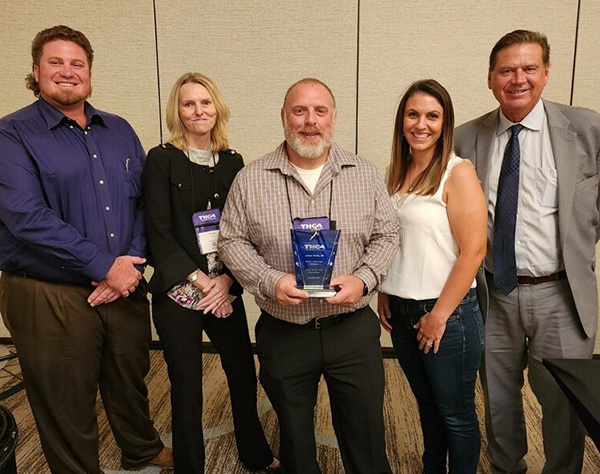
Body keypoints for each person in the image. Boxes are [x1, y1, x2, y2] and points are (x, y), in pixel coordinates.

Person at [0, 25, 172, 473]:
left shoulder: (119, 130)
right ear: (35, 72)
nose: (67, 72)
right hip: (49, 292)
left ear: (90, 73)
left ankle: (141, 449)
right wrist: (103, 266)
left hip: (125, 283)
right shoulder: (10, 135)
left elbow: (142, 204)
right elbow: (25, 217)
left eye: (77, 63)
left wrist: (128, 265)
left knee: (129, 377)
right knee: (65, 394)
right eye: (55, 62)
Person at [218, 77, 399, 474]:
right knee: (296, 443)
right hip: (285, 332)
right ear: (284, 117)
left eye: (320, 111)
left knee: (366, 436)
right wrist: (269, 280)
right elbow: (231, 242)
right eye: (299, 111)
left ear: (333, 118)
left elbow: (388, 234)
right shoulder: (251, 178)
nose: (310, 121)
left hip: (350, 330)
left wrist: (364, 279)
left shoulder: (363, 174)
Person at [455, 29, 600, 474]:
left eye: (528, 68)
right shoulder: (466, 139)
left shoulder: (587, 128)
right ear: (490, 78)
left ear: (546, 73)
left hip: (562, 294)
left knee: (563, 400)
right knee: (498, 400)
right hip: (494, 293)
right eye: (507, 70)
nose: (518, 78)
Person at [144, 72, 280, 473]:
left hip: (224, 288)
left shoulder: (233, 161)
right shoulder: (161, 159)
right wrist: (204, 283)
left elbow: (243, 229)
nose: (198, 111)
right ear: (177, 111)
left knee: (242, 375)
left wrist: (226, 281)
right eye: (188, 104)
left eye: (205, 102)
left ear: (216, 108)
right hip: (179, 292)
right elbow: (159, 234)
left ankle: (255, 455)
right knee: (187, 389)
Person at [377, 79, 487, 474]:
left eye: (432, 116)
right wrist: (385, 291)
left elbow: (474, 250)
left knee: (456, 415)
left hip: (447, 315)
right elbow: (396, 240)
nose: (421, 124)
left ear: (445, 123)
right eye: (413, 114)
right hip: (404, 312)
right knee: (427, 408)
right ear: (401, 120)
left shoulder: (457, 172)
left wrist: (439, 314)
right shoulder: (398, 170)